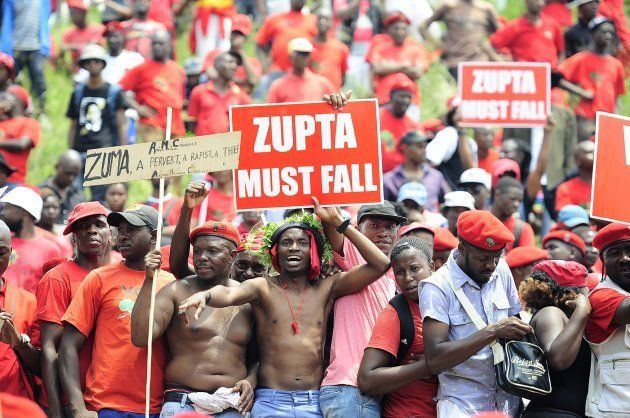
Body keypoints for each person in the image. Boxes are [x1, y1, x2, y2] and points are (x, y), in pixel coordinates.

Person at [178, 199, 391, 418]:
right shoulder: (263, 287)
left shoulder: (328, 286)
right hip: (270, 402)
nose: (294, 247)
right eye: (286, 242)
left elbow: (381, 264)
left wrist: (340, 223)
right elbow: (230, 293)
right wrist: (207, 295)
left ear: (313, 250)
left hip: (314, 401)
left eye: (302, 242)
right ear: (275, 251)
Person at [132, 191, 256, 417]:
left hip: (231, 403)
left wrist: (251, 380)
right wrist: (149, 280)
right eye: (197, 251)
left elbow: (261, 355)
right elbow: (140, 338)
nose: (201, 257)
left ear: (231, 257)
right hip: (182, 401)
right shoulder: (177, 290)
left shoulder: (247, 297)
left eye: (212, 251)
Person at [59, 205, 174, 418]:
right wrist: (78, 409)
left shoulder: (171, 285)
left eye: (131, 229)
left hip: (156, 406)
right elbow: (68, 347)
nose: (123, 236)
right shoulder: (99, 279)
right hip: (105, 406)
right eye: (120, 230)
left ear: (154, 236)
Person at [419, 210, 531, 417]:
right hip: (463, 405)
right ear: (462, 248)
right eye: (483, 259)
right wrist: (493, 331)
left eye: (496, 257)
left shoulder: (501, 269)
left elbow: (515, 323)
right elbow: (435, 360)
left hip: (508, 403)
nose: (491, 265)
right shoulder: (437, 287)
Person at [318, 201, 406, 418]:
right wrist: (336, 220)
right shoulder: (356, 258)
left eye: (390, 227)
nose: (384, 233)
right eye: (375, 226)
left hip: (374, 391)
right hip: (349, 388)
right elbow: (331, 222)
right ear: (357, 230)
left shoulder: (400, 278)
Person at [35, 202, 114, 418]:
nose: (91, 230)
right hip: (71, 402)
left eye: (99, 224)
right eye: (83, 226)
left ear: (111, 233)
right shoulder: (57, 278)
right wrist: (55, 409)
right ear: (73, 237)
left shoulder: (119, 274)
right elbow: (50, 347)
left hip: (109, 399)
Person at [357, 237, 438, 417]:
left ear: (431, 267)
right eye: (399, 272)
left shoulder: (451, 302)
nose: (408, 278)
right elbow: (367, 380)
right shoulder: (396, 312)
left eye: (414, 269)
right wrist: (428, 366)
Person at [519, 260, 592, 418]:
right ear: (572, 293)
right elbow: (557, 359)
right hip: (552, 413)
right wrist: (582, 310)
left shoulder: (569, 319)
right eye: (586, 291)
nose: (589, 295)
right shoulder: (550, 313)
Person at [586, 222, 630, 417]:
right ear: (602, 261)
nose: (625, 259)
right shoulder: (601, 296)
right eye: (614, 253)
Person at [559, 18, 626, 142]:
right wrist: (581, 92)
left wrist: (617, 120)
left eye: (611, 33)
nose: (608, 36)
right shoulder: (581, 58)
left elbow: (616, 97)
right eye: (604, 32)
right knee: (585, 154)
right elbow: (557, 77)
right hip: (586, 119)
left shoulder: (616, 64)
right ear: (593, 33)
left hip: (608, 120)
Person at [0, 220, 41, 401]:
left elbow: (40, 366)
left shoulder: (28, 301)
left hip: (17, 404)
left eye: (0, 252)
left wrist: (19, 342)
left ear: (10, 253)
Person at [119, 31, 186, 142]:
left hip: (175, 126)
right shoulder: (141, 68)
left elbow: (180, 98)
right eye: (154, 44)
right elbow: (120, 90)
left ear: (169, 45)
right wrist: (138, 108)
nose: (156, 47)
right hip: (152, 124)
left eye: (160, 44)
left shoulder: (178, 69)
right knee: (154, 157)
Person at [0, 187, 62, 293]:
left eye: (7, 208)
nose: (2, 213)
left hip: (31, 308)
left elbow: (53, 291)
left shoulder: (50, 249)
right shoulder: (3, 243)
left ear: (23, 212)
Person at [419, 0, 500, 79]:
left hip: (479, 62)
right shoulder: (449, 6)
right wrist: (440, 46)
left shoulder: (486, 9)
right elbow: (422, 28)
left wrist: (490, 50)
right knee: (462, 89)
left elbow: (501, 34)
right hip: (455, 62)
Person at [366, 11, 427, 113]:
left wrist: (389, 67)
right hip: (385, 99)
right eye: (396, 28)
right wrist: (404, 66)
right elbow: (377, 68)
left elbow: (418, 72)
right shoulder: (380, 48)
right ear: (389, 30)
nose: (400, 32)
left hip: (410, 101)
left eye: (403, 28)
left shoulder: (416, 47)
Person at [0, 0, 51, 115]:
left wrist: (46, 46)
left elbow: (44, 22)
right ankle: (11, 111)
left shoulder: (42, 1)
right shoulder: (11, 1)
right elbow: (7, 22)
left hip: (35, 47)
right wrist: (6, 48)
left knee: (38, 80)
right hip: (16, 48)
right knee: (12, 81)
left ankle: (41, 111)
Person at [383, 130, 451, 211]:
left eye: (425, 147)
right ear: (405, 147)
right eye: (419, 146)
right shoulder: (389, 179)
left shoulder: (436, 176)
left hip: (432, 223)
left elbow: (448, 202)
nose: (424, 151)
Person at [188, 52, 252, 136]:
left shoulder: (240, 95)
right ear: (217, 65)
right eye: (229, 62)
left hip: (227, 146)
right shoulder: (199, 92)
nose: (234, 66)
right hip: (203, 146)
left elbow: (247, 122)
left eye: (235, 63)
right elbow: (192, 121)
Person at [490, 0, 565, 68]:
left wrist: (559, 68)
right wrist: (503, 61)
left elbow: (561, 51)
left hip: (549, 75)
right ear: (526, 1)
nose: (539, 2)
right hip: (526, 75)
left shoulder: (553, 25)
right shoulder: (515, 26)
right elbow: (493, 45)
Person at [255, 0, 317, 82]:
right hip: (278, 72)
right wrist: (263, 63)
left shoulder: (313, 20)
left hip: (303, 74)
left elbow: (321, 45)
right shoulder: (275, 19)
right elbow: (259, 42)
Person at [202, 14, 262, 95]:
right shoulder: (215, 55)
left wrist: (241, 53)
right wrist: (241, 82)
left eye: (240, 34)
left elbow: (253, 81)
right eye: (234, 33)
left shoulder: (253, 62)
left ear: (246, 38)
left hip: (240, 103)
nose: (236, 37)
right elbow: (211, 74)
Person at [267, 38, 335, 103]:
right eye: (300, 53)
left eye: (306, 54)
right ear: (290, 57)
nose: (303, 57)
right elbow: (271, 112)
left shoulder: (323, 84)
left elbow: (335, 108)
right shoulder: (278, 86)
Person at [378, 81, 422, 173]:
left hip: (401, 178)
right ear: (391, 97)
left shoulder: (414, 126)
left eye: (409, 97)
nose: (406, 100)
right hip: (378, 175)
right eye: (402, 96)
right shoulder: (376, 116)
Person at [0, 92, 40, 184]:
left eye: (5, 96)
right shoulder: (2, 121)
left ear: (16, 100)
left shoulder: (29, 123)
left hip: (13, 181)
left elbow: (22, 144)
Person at [38, 150, 86, 223]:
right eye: (68, 173)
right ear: (57, 167)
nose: (71, 178)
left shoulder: (78, 196)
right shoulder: (40, 192)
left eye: (75, 175)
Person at [491, 176, 536, 253]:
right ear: (497, 195)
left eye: (519, 201)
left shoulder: (522, 229)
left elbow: (526, 259)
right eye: (512, 199)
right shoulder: (481, 221)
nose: (516, 204)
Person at [60, 1, 104, 72]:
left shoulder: (97, 29)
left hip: (94, 70)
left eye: (74, 14)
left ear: (83, 13)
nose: (72, 17)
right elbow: (62, 49)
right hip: (77, 71)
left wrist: (72, 46)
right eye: (71, 14)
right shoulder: (68, 32)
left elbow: (92, 46)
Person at [311, 10, 350, 91]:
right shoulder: (307, 47)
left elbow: (344, 75)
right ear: (315, 22)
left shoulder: (341, 48)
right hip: (313, 94)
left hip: (334, 96)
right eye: (320, 18)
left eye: (326, 19)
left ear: (331, 23)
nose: (322, 21)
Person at [555, 141, 594, 211]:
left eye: (597, 152)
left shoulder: (608, 187)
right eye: (590, 152)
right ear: (578, 160)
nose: (596, 155)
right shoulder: (566, 188)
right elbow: (567, 215)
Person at [143, 177, 182, 245]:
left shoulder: (182, 204)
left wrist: (151, 231)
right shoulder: (139, 206)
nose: (162, 175)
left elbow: (186, 230)